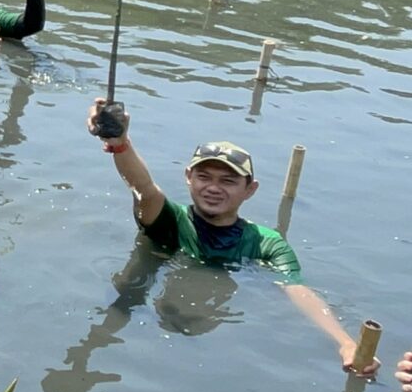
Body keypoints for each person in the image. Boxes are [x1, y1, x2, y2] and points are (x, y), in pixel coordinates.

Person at [90, 101, 369, 374]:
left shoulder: (266, 243)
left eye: (228, 181)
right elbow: (142, 187)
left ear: (250, 189)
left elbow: (297, 289)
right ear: (189, 177)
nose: (213, 188)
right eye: (204, 177)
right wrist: (120, 143)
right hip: (145, 330)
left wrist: (345, 342)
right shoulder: (169, 220)